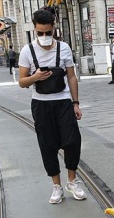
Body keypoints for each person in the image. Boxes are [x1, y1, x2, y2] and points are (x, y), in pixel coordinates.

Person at [18, 9, 86, 204]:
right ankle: (56, 186)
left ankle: (72, 181)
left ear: (53, 29)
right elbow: (22, 82)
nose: (45, 37)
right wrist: (35, 77)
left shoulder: (64, 48)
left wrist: (76, 103)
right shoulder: (27, 51)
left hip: (64, 102)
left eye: (48, 32)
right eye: (40, 33)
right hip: (41, 104)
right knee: (47, 145)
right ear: (35, 30)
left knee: (72, 141)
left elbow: (71, 76)